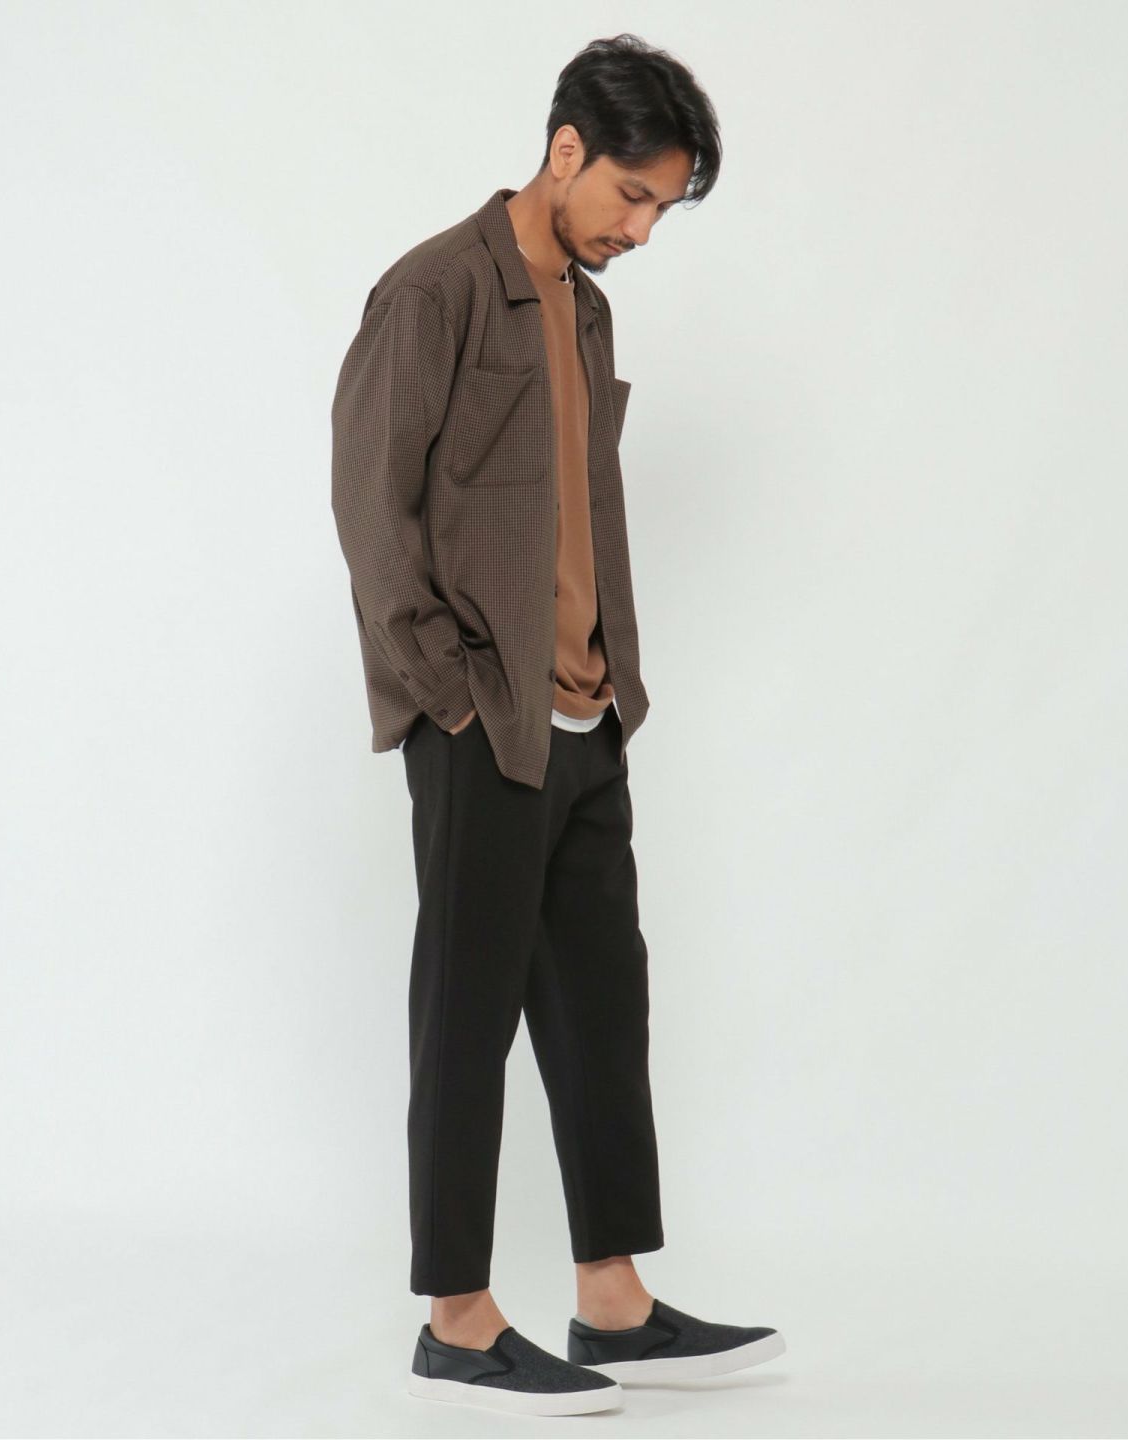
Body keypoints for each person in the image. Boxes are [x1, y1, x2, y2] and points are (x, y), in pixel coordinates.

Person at [330, 31, 785, 1418]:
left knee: (600, 1005)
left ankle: (614, 1302)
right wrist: (454, 697)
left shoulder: (585, 311)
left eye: (662, 209)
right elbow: (372, 513)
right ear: (566, 149)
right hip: (486, 718)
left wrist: (610, 683)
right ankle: (456, 1322)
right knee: (465, 1017)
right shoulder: (434, 291)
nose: (642, 230)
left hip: (587, 714)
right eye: (633, 196)